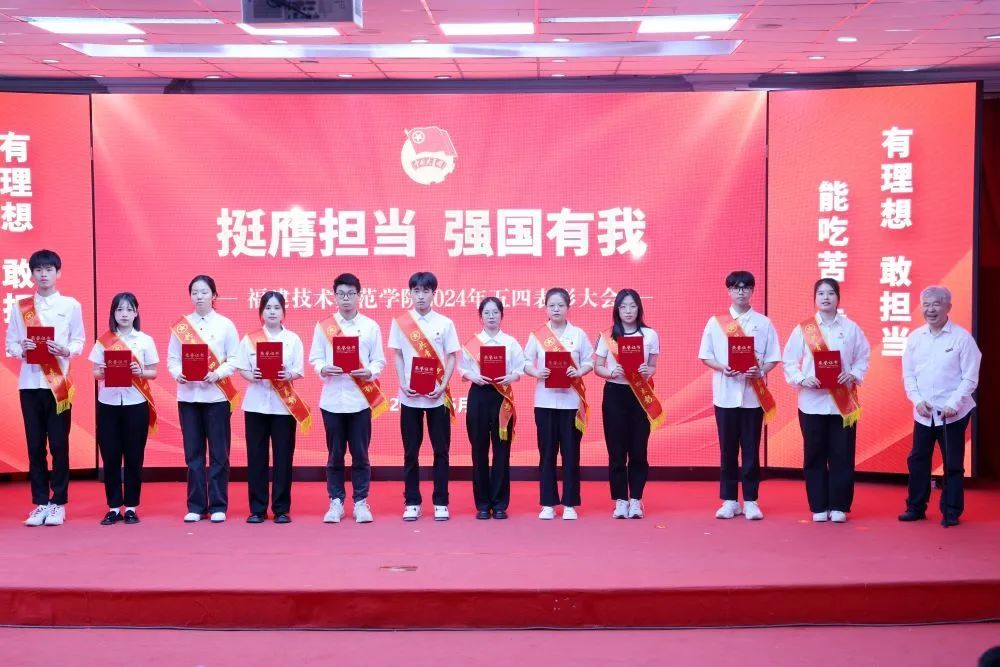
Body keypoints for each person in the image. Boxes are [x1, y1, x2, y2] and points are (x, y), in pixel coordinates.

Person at [4, 249, 85, 527]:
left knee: (59, 445)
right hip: (29, 384)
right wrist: (22, 348)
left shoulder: (71, 305)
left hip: (58, 386)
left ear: (58, 273)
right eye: (38, 270)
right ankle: (40, 503)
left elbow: (79, 341)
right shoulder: (21, 307)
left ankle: (58, 503)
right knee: (35, 445)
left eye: (49, 269)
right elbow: (10, 343)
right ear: (32, 274)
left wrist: (65, 350)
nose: (43, 274)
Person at [782, 278, 870, 523]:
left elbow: (863, 356)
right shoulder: (804, 329)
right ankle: (819, 505)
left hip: (843, 404)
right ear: (815, 298)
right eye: (821, 293)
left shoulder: (851, 328)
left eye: (831, 293)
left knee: (842, 454)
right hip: (812, 402)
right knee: (814, 455)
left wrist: (853, 374)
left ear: (838, 297)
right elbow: (789, 360)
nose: (826, 297)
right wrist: (802, 378)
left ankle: (840, 505)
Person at [698, 271, 780, 521]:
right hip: (725, 396)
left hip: (753, 397)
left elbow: (773, 357)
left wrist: (760, 370)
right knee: (728, 450)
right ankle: (730, 500)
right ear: (729, 291)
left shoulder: (763, 323)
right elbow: (706, 355)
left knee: (751, 450)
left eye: (746, 287)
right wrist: (722, 367)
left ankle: (751, 501)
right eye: (736, 287)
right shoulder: (716, 323)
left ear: (752, 291)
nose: (741, 291)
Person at [899, 285, 981, 528]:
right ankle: (915, 507)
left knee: (953, 463)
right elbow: (908, 375)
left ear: (948, 307)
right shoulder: (915, 338)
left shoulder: (962, 338)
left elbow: (970, 378)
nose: (930, 309)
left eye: (936, 304)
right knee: (918, 460)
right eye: (926, 305)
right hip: (924, 412)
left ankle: (951, 511)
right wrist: (917, 400)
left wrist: (953, 403)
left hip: (953, 413)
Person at [310, 273, 387, 524]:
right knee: (335, 455)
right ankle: (336, 502)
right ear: (334, 296)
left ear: (359, 296)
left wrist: (370, 372)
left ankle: (361, 502)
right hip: (332, 400)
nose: (346, 299)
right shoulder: (324, 326)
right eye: (341, 294)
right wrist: (323, 368)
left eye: (351, 294)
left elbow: (379, 360)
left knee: (360, 454)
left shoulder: (370, 326)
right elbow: (315, 358)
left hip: (360, 401)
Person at [387, 272, 460, 521]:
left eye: (425, 291)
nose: (420, 296)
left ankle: (441, 501)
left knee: (441, 451)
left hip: (437, 396)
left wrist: (444, 385)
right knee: (410, 452)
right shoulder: (401, 323)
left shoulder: (445, 323)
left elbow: (452, 356)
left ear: (433, 294)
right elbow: (397, 354)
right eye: (416, 291)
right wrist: (401, 382)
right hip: (410, 396)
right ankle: (412, 501)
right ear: (410, 293)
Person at [167, 275, 240, 523]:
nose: (199, 296)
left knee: (219, 454)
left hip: (217, 397)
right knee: (193, 454)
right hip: (188, 397)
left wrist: (218, 373)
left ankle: (218, 505)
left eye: (204, 292)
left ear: (214, 295)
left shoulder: (225, 325)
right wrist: (178, 374)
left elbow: (235, 359)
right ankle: (196, 506)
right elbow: (173, 359)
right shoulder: (181, 326)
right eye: (195, 292)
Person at [235, 291, 308, 524]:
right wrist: (252, 376)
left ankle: (281, 509)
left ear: (284, 312)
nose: (272, 312)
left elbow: (299, 370)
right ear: (261, 312)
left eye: (277, 308)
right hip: (255, 405)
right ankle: (257, 509)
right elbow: (241, 368)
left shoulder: (293, 339)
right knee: (256, 457)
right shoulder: (249, 339)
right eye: (268, 308)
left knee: (283, 457)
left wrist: (288, 374)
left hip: (283, 407)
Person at [523, 287, 594, 520]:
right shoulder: (538, 335)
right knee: (547, 453)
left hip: (571, 403)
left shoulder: (578, 334)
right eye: (552, 305)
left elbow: (590, 362)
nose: (556, 309)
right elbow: (525, 362)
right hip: (544, 402)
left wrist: (578, 371)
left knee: (571, 454)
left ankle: (570, 504)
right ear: (546, 308)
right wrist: (537, 372)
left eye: (560, 305)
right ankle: (548, 504)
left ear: (568, 308)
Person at [89, 292, 158, 525]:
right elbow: (95, 372)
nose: (124, 314)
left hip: (136, 404)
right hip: (108, 404)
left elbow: (154, 372)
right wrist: (103, 372)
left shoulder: (145, 340)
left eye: (129, 309)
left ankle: (130, 507)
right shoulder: (103, 341)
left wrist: (140, 372)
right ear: (113, 313)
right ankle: (113, 507)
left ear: (136, 313)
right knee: (110, 456)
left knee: (133, 456)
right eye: (119, 310)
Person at [595, 289, 662, 519]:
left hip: (640, 396)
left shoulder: (650, 335)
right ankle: (620, 500)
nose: (628, 311)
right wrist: (611, 372)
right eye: (623, 306)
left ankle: (636, 500)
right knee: (616, 451)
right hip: (615, 394)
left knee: (638, 450)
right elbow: (598, 367)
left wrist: (646, 370)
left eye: (632, 306)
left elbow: (653, 366)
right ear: (616, 309)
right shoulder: (607, 336)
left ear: (639, 308)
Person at [459, 297, 524, 520]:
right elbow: (462, 369)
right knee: (478, 451)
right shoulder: (472, 343)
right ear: (480, 317)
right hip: (478, 395)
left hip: (501, 397)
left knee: (501, 451)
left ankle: (499, 504)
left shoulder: (510, 342)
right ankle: (482, 504)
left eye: (495, 312)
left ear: (501, 315)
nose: (491, 316)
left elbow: (520, 368)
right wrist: (473, 376)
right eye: (486, 313)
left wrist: (512, 376)